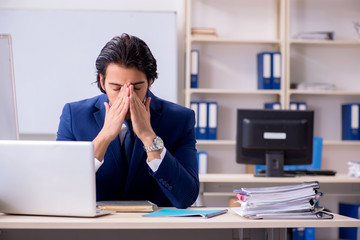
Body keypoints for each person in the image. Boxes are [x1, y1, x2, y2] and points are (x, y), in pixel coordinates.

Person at [56, 33, 199, 208]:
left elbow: (186, 197)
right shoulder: (74, 116)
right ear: (102, 81)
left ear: (150, 81)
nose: (127, 97)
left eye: (137, 88)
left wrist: (149, 138)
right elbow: (60, 189)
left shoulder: (180, 119)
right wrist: (104, 137)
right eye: (116, 88)